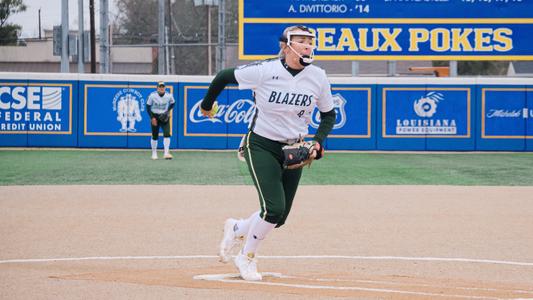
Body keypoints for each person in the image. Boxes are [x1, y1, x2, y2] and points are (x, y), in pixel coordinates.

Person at [200, 25, 336, 281]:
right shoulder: (265, 71)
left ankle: (237, 227)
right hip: (261, 144)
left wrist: (318, 141)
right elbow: (222, 77)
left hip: (295, 148)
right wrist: (208, 105)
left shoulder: (317, 76)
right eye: (301, 40)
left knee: (278, 217)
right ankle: (246, 257)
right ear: (286, 45)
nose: (307, 45)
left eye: (310, 41)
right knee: (273, 209)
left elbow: (329, 114)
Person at [146, 81, 175, 160]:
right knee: (155, 135)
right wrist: (152, 118)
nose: (161, 88)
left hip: (164, 116)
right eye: (160, 87)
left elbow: (173, 103)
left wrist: (167, 111)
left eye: (163, 87)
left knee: (167, 133)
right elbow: (148, 107)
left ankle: (166, 153)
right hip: (155, 115)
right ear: (157, 88)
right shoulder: (152, 96)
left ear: (165, 88)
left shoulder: (169, 96)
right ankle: (154, 153)